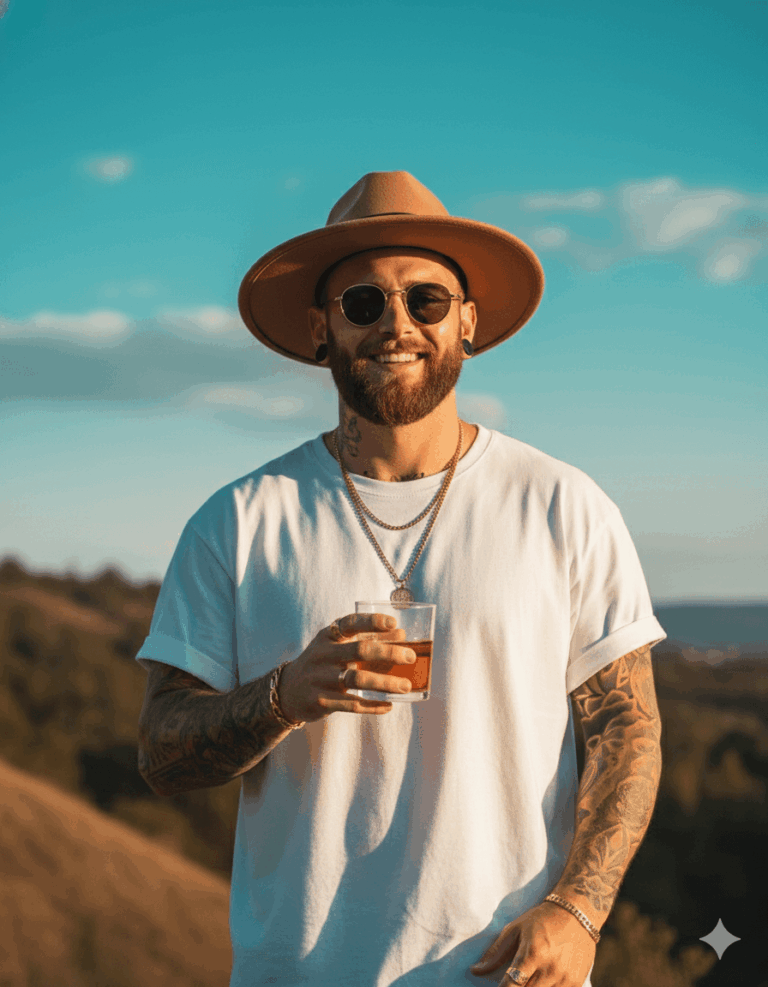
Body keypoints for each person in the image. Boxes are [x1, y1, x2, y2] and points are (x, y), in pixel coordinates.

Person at [136, 171, 666, 987]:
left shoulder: (565, 505)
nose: (397, 325)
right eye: (362, 304)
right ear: (320, 328)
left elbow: (626, 729)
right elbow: (163, 752)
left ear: (468, 322)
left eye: (426, 300)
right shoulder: (238, 521)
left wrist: (581, 910)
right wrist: (282, 696)